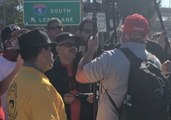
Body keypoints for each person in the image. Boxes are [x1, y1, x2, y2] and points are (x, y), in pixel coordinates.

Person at [76, 13, 161, 120]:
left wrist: (91, 49)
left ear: (124, 34)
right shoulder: (155, 62)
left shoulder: (110, 58)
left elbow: (80, 76)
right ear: (146, 36)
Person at [6, 28, 67, 120]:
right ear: (42, 51)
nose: (52, 55)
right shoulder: (41, 86)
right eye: (50, 50)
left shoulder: (17, 79)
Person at [45, 32, 94, 120]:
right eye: (68, 45)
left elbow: (98, 88)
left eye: (75, 45)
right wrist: (61, 98)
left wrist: (94, 96)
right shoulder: (49, 70)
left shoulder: (83, 66)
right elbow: (44, 97)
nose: (73, 47)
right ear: (58, 48)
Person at [0, 24, 28, 120]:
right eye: (15, 36)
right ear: (6, 42)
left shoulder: (28, 60)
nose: (19, 39)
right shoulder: (1, 63)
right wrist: (17, 68)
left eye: (20, 36)